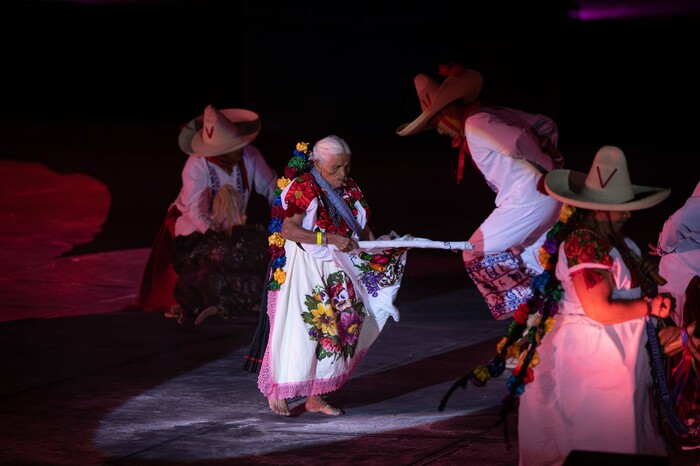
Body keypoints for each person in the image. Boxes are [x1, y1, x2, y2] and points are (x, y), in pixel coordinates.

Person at [516, 145, 672, 464]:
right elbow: (598, 309)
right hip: (592, 362)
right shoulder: (584, 243)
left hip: (617, 358)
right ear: (598, 208)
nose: (628, 213)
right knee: (599, 439)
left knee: (620, 436)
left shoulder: (619, 243)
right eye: (621, 206)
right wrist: (649, 308)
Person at [397, 63, 565, 321]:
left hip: (528, 199)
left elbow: (518, 140)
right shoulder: (489, 114)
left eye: (437, 124)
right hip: (543, 198)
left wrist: (547, 167)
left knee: (475, 251)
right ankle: (545, 323)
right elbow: (546, 124)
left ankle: (525, 313)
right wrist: (550, 163)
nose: (440, 132)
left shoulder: (476, 123)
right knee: (532, 259)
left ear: (448, 112)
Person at [257, 135, 404, 417]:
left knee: (339, 329)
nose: (343, 174)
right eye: (336, 168)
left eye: (346, 167)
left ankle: (317, 396)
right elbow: (289, 230)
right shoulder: (303, 186)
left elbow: (364, 229)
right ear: (318, 163)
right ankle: (279, 388)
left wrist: (376, 252)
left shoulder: (350, 187)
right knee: (302, 329)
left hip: (340, 265)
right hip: (306, 265)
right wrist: (329, 239)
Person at [135, 105, 278, 314]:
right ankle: (198, 299)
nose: (241, 147)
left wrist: (286, 211)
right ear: (221, 151)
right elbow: (195, 210)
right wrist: (215, 235)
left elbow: (271, 186)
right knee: (207, 254)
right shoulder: (197, 166)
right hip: (194, 224)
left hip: (231, 224)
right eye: (234, 146)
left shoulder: (249, 156)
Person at [170, 184, 269, 325]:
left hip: (227, 301)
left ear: (216, 212)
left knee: (194, 265)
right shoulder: (259, 235)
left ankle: (212, 306)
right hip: (257, 298)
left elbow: (181, 261)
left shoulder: (213, 241)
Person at [654, 180, 700, 450]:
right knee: (690, 347)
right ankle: (689, 419)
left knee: (690, 346)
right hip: (689, 277)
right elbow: (678, 224)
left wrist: (664, 246)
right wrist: (664, 246)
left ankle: (688, 417)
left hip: (687, 270)